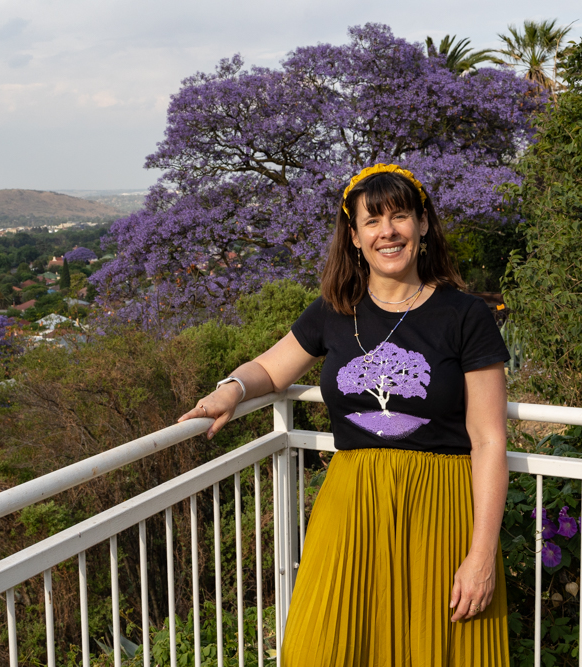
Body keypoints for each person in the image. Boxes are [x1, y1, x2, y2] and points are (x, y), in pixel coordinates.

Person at [178, 164, 511, 666]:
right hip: (350, 501)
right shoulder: (335, 310)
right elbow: (270, 367)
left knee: (436, 650)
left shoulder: (465, 315)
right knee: (321, 645)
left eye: (400, 217)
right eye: (372, 222)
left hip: (441, 507)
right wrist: (232, 389)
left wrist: (481, 555)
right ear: (354, 237)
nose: (388, 232)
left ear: (423, 225)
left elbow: (488, 440)